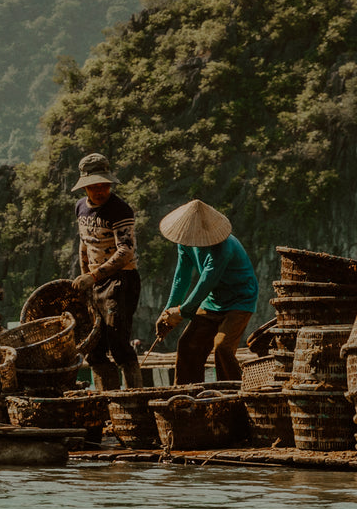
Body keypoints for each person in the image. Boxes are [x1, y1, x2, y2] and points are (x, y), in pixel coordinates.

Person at [155, 199, 258, 385]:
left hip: (240, 300)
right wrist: (167, 311)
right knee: (188, 344)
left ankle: (232, 396)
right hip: (213, 301)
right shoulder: (185, 241)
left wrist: (181, 312)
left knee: (223, 348)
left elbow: (206, 282)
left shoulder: (223, 247)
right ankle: (187, 394)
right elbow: (182, 276)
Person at [70, 152, 143, 390]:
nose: (100, 190)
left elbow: (125, 252)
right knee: (94, 347)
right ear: (85, 187)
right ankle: (106, 397)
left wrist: (92, 276)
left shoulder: (120, 210)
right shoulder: (81, 207)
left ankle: (134, 398)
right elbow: (84, 243)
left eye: (104, 185)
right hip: (95, 281)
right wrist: (85, 278)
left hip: (121, 280)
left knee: (118, 342)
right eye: (94, 186)